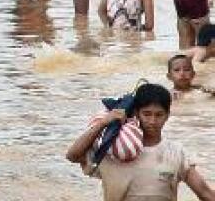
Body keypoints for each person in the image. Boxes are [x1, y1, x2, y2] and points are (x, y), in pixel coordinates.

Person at [66, 83, 214, 201]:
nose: (153, 121)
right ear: (136, 113)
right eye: (147, 114)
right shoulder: (113, 149)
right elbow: (72, 156)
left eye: (159, 115)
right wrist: (103, 123)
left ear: (167, 115)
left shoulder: (176, 152)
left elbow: (204, 193)